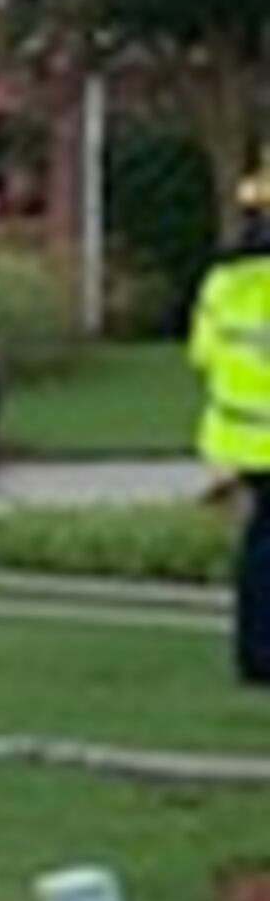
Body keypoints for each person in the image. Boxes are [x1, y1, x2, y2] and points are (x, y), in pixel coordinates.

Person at [189, 176, 270, 685]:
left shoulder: (223, 285)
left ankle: (254, 652)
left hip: (239, 436)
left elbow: (202, 355)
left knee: (259, 545)